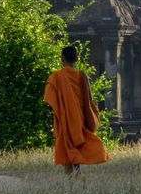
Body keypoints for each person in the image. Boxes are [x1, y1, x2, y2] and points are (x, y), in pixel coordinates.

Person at [44, 46, 110, 177]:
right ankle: (77, 176)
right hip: (80, 119)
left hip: (65, 118)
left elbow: (49, 98)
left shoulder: (56, 77)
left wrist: (63, 110)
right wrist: (92, 114)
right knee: (76, 145)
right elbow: (89, 98)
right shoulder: (82, 75)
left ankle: (71, 179)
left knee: (67, 146)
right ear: (77, 59)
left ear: (62, 59)